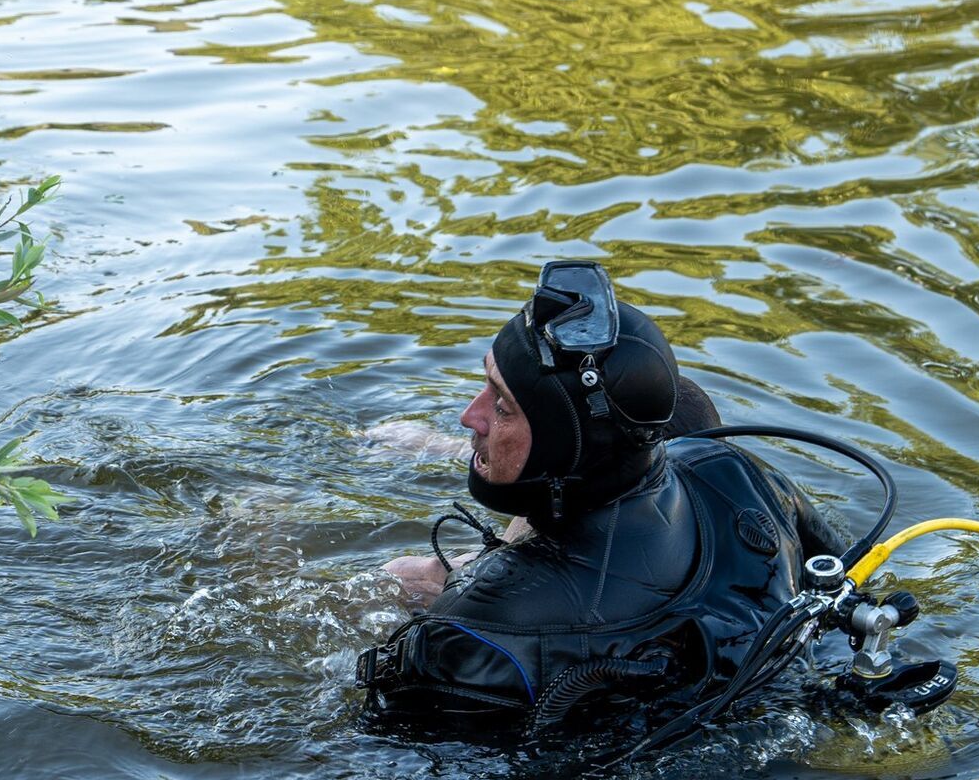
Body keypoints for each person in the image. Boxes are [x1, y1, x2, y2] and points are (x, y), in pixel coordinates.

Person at [357, 261, 848, 739]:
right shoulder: (733, 473)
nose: (470, 416)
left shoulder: (475, 632)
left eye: (501, 404)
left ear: (557, 443)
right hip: (775, 698)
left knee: (404, 575)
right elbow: (847, 569)